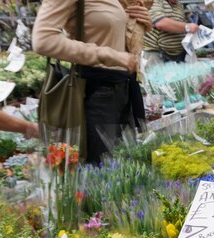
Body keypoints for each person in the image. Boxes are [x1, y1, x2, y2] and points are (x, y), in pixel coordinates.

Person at [32, 0, 152, 163]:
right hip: (94, 94)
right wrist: (108, 55)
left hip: (123, 89)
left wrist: (138, 24)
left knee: (128, 172)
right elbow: (43, 41)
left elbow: (107, 30)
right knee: (100, 176)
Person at [143, 0, 200, 65]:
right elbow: (160, 23)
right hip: (156, 55)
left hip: (177, 56)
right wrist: (187, 27)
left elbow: (181, 24)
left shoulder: (179, 5)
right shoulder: (155, 1)